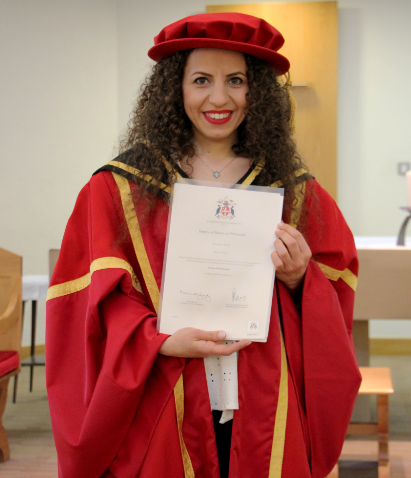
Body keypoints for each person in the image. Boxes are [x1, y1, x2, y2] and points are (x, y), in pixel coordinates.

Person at [46, 12, 361, 478]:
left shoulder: (295, 192)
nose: (219, 98)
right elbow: (90, 305)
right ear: (176, 89)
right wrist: (159, 341)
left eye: (236, 80)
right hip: (162, 399)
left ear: (257, 91)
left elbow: (332, 293)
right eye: (200, 80)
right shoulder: (118, 189)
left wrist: (299, 278)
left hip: (264, 395)